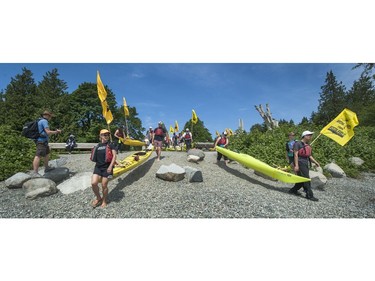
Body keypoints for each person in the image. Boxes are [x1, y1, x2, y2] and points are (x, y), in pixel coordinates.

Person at [288, 130, 320, 201]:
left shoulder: (307, 145)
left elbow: (309, 156)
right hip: (300, 162)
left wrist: (315, 162)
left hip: (305, 162)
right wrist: (296, 166)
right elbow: (295, 155)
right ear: (304, 136)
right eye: (309, 135)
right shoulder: (298, 143)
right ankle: (309, 195)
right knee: (306, 178)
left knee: (301, 179)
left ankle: (293, 190)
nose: (311, 136)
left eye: (311, 135)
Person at [90, 129, 117, 208]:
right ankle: (98, 198)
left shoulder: (111, 145)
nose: (106, 136)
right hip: (98, 167)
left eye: (107, 135)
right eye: (104, 135)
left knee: (104, 185)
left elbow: (114, 156)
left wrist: (110, 167)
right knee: (93, 183)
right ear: (100, 136)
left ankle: (104, 200)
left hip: (107, 167)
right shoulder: (98, 145)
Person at [32, 110, 62, 175]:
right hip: (41, 141)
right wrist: (57, 132)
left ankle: (47, 168)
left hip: (43, 141)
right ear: (47, 116)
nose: (51, 118)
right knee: (38, 156)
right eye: (50, 116)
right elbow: (48, 132)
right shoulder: (44, 121)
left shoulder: (40, 121)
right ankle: (35, 172)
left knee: (46, 154)